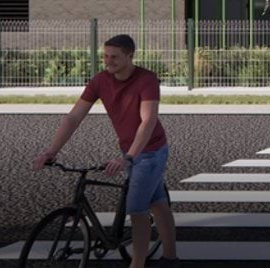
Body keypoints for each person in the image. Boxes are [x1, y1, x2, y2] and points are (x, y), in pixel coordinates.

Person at [33, 34, 177, 268]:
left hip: (150, 151)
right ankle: (171, 257)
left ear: (130, 56)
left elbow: (148, 121)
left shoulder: (146, 80)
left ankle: (137, 264)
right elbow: (74, 118)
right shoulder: (100, 81)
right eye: (106, 56)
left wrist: (128, 157)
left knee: (136, 207)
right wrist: (51, 151)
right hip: (128, 150)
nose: (108, 61)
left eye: (115, 57)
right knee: (158, 203)